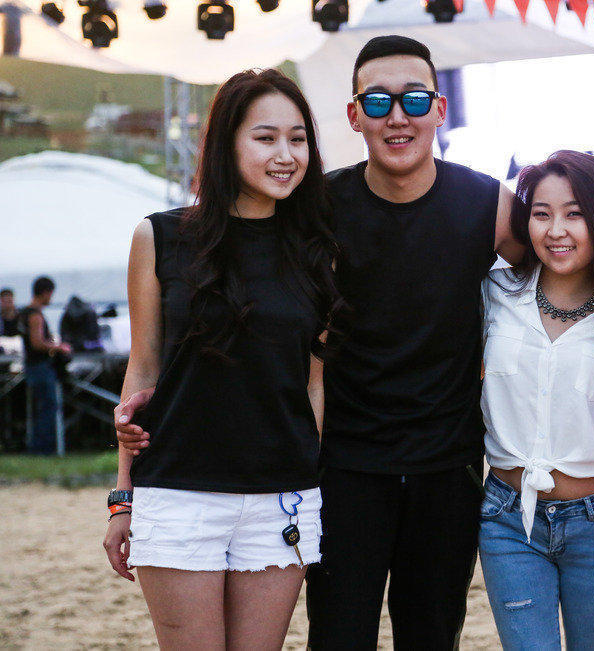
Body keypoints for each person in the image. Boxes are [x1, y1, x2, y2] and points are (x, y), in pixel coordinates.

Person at [118, 36, 522, 649]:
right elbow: (218, 301)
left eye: (415, 99)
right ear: (354, 115)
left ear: (440, 109)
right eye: (378, 101)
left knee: (433, 635)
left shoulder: (487, 204)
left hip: (445, 466)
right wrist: (131, 474)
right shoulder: (315, 212)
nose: (398, 115)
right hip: (339, 468)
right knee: (335, 638)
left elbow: (554, 275)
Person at [102, 68, 342, 649]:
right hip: (178, 491)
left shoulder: (318, 252)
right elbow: (143, 370)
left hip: (281, 498)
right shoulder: (159, 237)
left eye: (298, 139)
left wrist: (306, 471)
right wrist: (122, 497)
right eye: (265, 137)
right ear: (225, 144)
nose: (286, 155)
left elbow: (314, 384)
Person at [478, 151, 594, 649]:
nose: (556, 231)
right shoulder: (495, 292)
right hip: (509, 520)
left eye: (575, 214)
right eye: (541, 214)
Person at [19, 276, 70, 455]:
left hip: (31, 366)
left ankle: (37, 446)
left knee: (38, 408)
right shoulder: (35, 315)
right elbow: (37, 343)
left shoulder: (24, 312)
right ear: (46, 292)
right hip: (40, 366)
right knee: (48, 407)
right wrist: (58, 347)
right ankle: (43, 448)